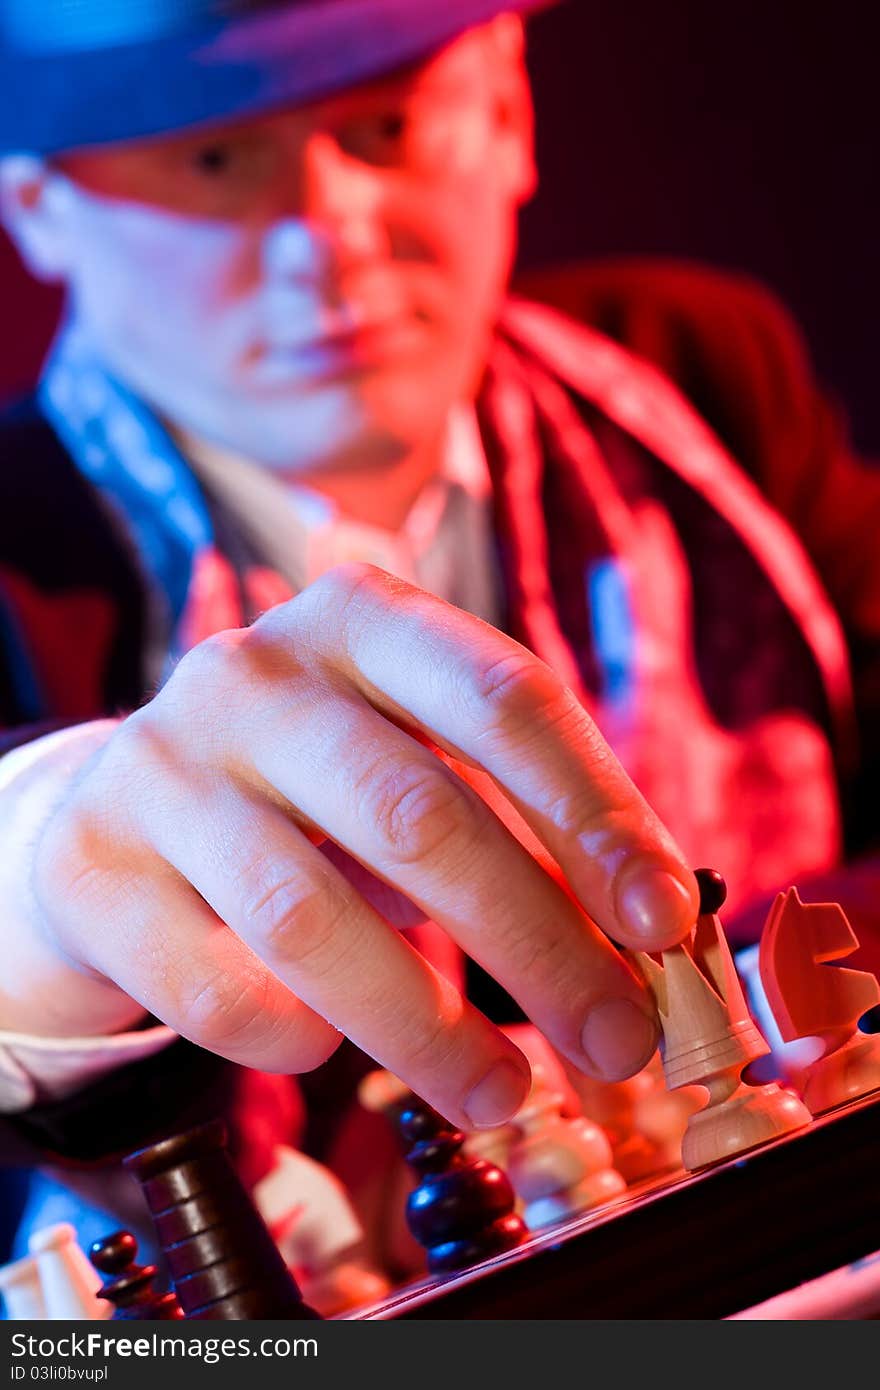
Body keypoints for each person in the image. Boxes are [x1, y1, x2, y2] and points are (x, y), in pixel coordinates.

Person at [0, 0, 877, 1275]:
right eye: (212, 158)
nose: (330, 240)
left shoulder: (697, 381)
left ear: (511, 111)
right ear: (35, 206)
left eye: (389, 126)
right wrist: (35, 890)